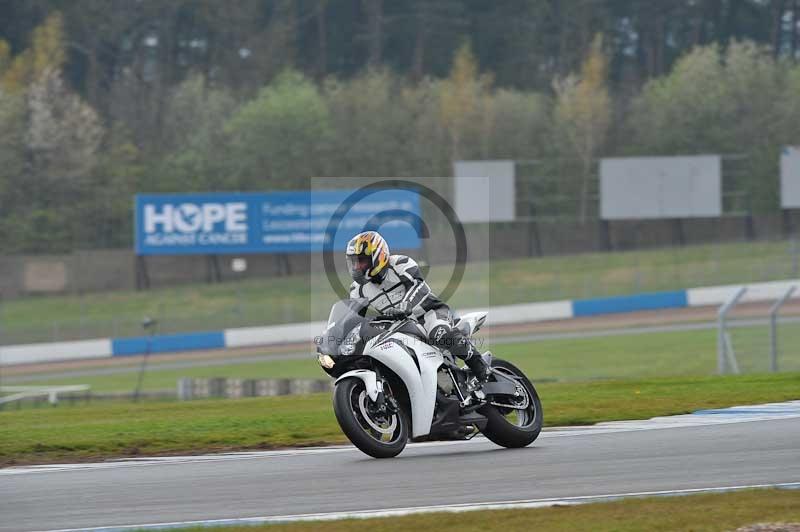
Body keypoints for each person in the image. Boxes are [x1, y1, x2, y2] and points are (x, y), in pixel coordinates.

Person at [345, 230, 491, 382]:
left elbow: (418, 286)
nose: (357, 267)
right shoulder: (357, 290)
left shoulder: (400, 264)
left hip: (429, 313)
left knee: (439, 334)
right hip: (400, 328)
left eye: (361, 261)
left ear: (378, 256)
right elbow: (355, 319)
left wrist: (406, 305)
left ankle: (480, 367)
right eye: (353, 262)